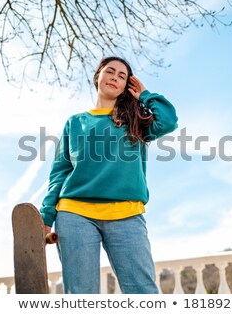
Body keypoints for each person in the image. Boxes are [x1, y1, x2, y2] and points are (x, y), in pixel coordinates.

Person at [40, 56, 178, 294]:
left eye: (122, 76)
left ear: (127, 86)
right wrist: (45, 218)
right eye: (110, 71)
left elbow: (168, 120)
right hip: (74, 215)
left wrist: (144, 95)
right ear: (98, 77)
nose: (115, 77)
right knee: (81, 294)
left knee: (143, 291)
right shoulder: (75, 123)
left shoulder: (136, 120)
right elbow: (60, 172)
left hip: (127, 215)